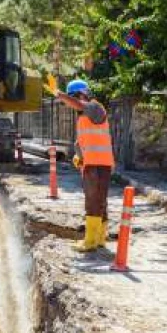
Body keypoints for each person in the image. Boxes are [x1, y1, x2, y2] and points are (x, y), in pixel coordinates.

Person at [57, 79, 114, 252]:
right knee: (99, 200)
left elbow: (77, 104)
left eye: (75, 98)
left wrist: (60, 95)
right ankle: (100, 238)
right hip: (94, 164)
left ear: (82, 95)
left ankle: (90, 241)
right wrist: (79, 156)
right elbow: (81, 142)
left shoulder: (95, 108)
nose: (72, 104)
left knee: (93, 201)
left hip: (98, 164)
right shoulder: (84, 117)